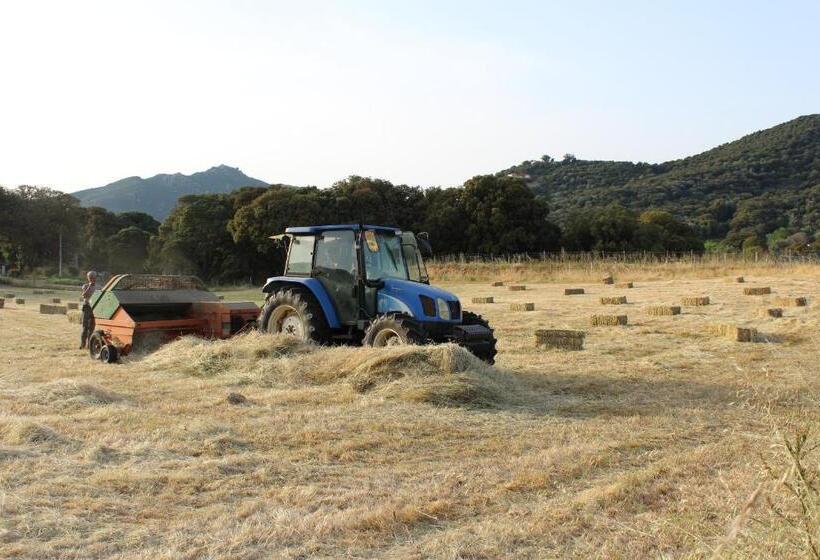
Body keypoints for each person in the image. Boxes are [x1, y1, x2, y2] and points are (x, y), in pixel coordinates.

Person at [80, 271, 98, 349]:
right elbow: (84, 295)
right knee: (85, 327)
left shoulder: (99, 287)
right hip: (87, 307)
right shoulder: (85, 286)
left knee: (92, 328)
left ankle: (89, 345)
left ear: (95, 278)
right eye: (90, 277)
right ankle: (82, 344)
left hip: (95, 308)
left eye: (93, 277)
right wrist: (89, 287)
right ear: (88, 278)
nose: (92, 279)